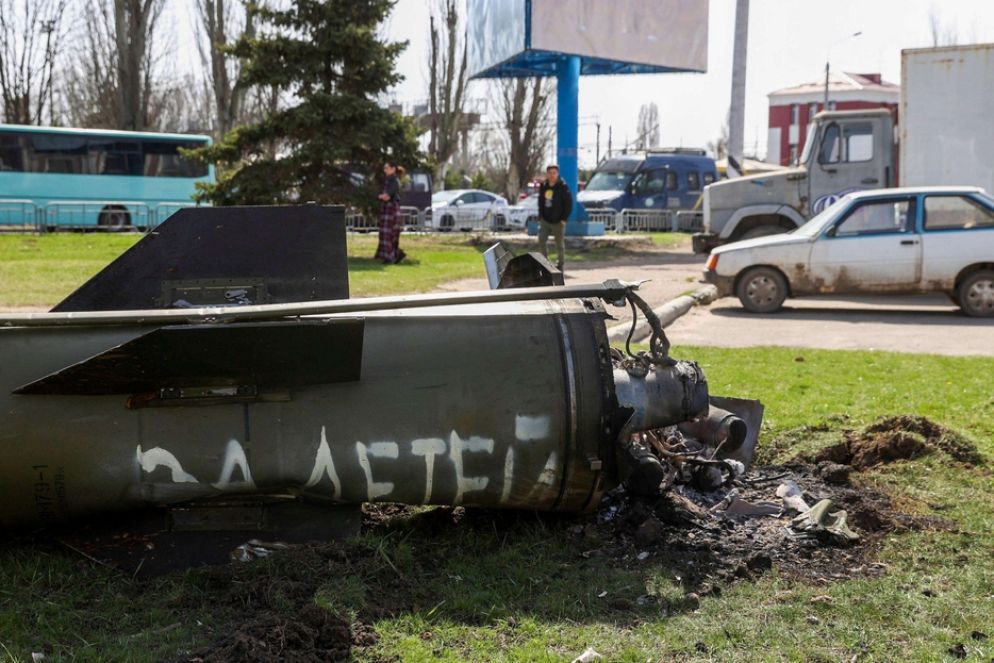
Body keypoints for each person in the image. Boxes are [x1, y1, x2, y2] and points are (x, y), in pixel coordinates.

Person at [537, 164, 572, 271]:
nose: (552, 175)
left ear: (557, 174)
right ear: (547, 174)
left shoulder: (563, 186)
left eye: (554, 173)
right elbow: (541, 202)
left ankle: (560, 264)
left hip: (558, 221)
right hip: (545, 220)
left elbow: (568, 203)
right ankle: (545, 263)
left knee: (559, 244)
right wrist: (540, 216)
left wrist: (564, 219)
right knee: (541, 240)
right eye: (550, 173)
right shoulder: (544, 186)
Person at [374, 161, 406, 264]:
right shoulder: (387, 181)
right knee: (385, 233)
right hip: (386, 208)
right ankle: (394, 255)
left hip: (391, 209)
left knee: (390, 234)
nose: (385, 170)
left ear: (393, 169)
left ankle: (391, 256)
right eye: (384, 168)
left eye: (387, 168)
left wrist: (381, 196)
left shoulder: (394, 181)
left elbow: (387, 196)